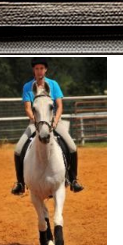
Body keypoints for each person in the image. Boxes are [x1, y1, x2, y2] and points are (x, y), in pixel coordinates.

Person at [11, 57, 84, 195]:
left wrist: (55, 121)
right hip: (35, 123)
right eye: (37, 68)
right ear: (34, 70)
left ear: (46, 69)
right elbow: (27, 108)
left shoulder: (53, 84)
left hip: (53, 122)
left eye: (42, 68)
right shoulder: (28, 87)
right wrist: (35, 121)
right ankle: (20, 183)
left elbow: (59, 106)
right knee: (18, 149)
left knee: (72, 146)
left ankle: (73, 180)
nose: (39, 71)